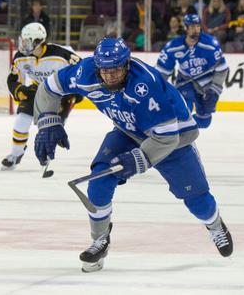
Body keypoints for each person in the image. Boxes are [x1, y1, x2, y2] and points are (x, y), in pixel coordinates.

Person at [32, 37, 233, 272]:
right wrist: (48, 122)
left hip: (173, 139)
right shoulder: (83, 73)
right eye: (104, 70)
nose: (109, 76)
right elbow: (49, 87)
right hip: (128, 133)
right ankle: (100, 241)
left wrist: (139, 159)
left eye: (116, 69)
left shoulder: (145, 84)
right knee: (98, 182)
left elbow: (167, 137)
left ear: (127, 64)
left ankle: (215, 225)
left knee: (197, 200)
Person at [1, 22, 82, 170]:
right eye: (23, 40)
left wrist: (76, 93)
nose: (23, 44)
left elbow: (81, 70)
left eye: (27, 41)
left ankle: (45, 155)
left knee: (51, 128)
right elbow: (12, 79)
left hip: (60, 94)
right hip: (37, 91)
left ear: (38, 41)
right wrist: (20, 90)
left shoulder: (61, 54)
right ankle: (15, 154)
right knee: (21, 121)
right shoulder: (20, 57)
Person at [156, 14, 229, 128]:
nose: (196, 30)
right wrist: (158, 92)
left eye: (198, 26)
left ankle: (184, 127)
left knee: (204, 122)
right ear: (185, 28)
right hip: (185, 82)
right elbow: (162, 72)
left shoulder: (210, 44)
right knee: (185, 110)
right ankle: (175, 132)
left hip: (205, 84)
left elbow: (222, 70)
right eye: (192, 26)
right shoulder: (173, 46)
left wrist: (214, 89)